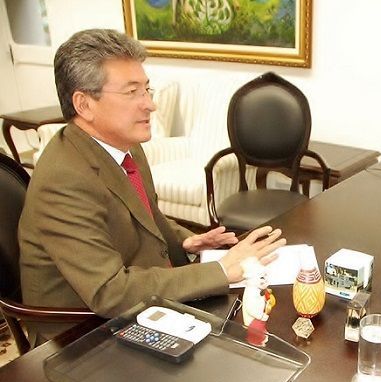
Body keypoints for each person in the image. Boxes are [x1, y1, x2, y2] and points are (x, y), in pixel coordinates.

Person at [19, 29, 286, 344]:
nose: (150, 105)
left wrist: (185, 241)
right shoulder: (63, 179)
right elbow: (109, 292)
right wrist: (222, 270)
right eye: (132, 92)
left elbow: (144, 214)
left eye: (146, 89)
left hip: (132, 305)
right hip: (80, 336)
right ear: (84, 104)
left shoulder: (126, 146)